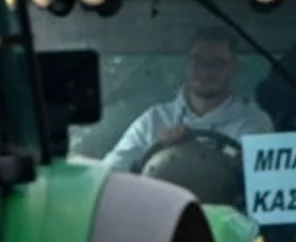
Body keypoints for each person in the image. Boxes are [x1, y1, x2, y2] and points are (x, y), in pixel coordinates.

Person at [103, 26, 272, 170]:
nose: (205, 71)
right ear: (187, 64)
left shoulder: (253, 123)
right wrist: (158, 153)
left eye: (216, 63)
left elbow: (260, 174)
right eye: (197, 61)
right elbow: (112, 171)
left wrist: (191, 150)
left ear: (233, 68)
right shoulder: (154, 120)